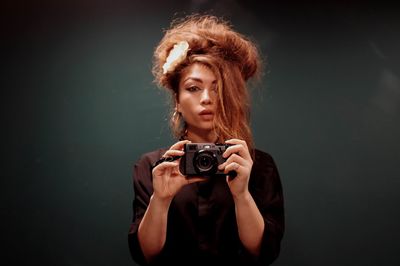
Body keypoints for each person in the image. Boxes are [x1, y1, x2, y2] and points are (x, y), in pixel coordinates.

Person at [128, 14, 284, 266]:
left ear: (231, 96)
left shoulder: (258, 166)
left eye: (218, 88)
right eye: (193, 88)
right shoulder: (155, 166)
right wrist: (161, 199)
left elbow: (264, 252)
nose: (207, 99)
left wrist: (242, 194)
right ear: (177, 100)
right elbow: (145, 255)